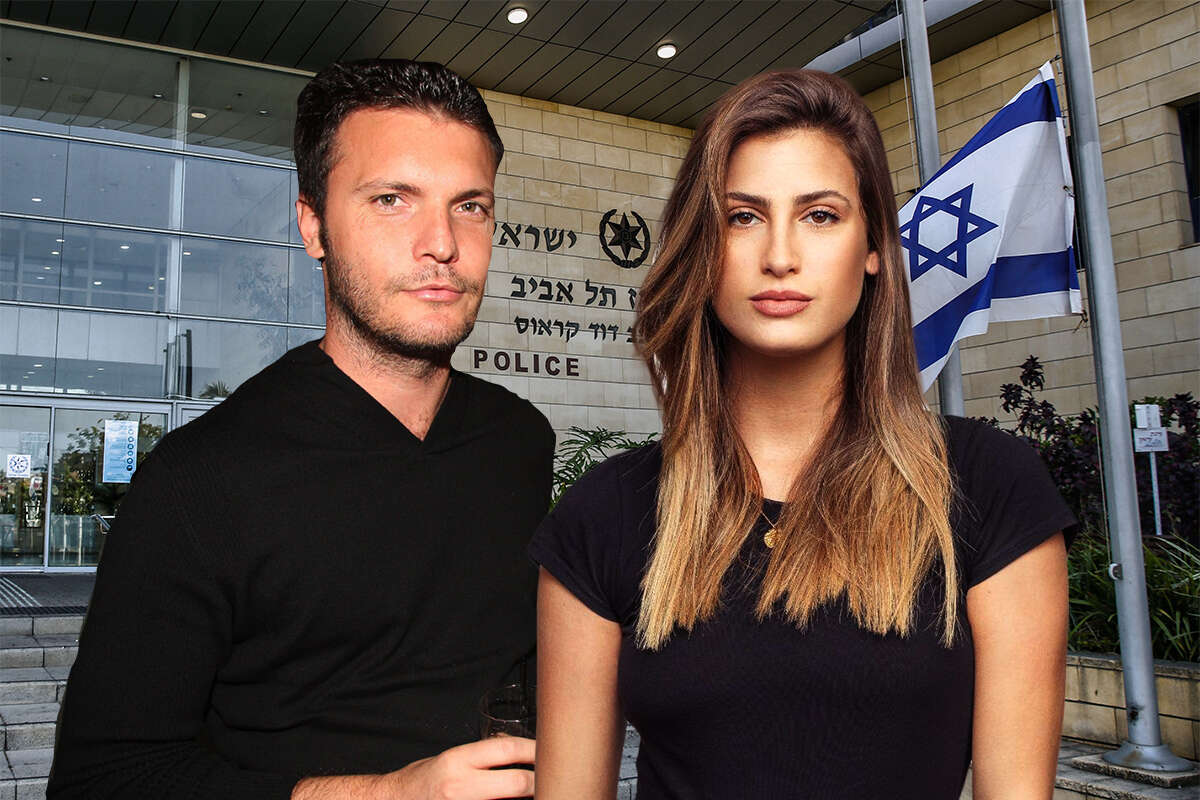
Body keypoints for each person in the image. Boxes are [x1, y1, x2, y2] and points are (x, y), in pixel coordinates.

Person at [530, 69, 1075, 799]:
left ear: (873, 245)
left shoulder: (990, 486)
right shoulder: (605, 513)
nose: (779, 255)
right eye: (742, 217)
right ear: (701, 247)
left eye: (820, 215)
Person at [49, 59, 552, 800]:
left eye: (470, 206)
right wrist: (385, 795)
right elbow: (103, 780)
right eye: (392, 200)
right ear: (313, 225)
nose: (441, 243)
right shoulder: (200, 480)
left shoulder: (519, 441)